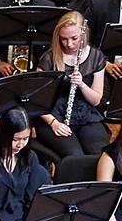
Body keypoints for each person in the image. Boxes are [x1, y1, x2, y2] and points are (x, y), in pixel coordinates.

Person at [32, 10, 110, 162]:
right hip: (53, 117)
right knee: (75, 157)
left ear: (83, 33)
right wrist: (54, 123)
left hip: (87, 116)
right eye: (64, 39)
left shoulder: (96, 56)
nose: (69, 44)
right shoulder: (49, 58)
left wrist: (81, 84)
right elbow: (37, 101)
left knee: (99, 154)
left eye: (74, 38)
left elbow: (96, 100)